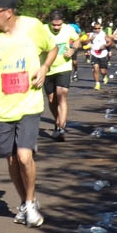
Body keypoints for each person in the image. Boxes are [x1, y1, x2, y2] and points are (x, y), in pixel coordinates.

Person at [0, 0, 58, 228]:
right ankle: (24, 202)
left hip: (29, 103)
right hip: (1, 107)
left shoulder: (33, 27)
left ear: (9, 12)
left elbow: (52, 48)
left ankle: (31, 204)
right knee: (11, 160)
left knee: (24, 156)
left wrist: (44, 69)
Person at [43, 10, 77, 140]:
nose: (57, 28)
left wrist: (73, 49)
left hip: (64, 67)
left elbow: (77, 39)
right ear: (49, 22)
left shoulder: (68, 29)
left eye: (59, 25)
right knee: (52, 100)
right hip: (47, 69)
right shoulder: (42, 29)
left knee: (61, 96)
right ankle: (58, 121)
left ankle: (61, 128)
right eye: (54, 25)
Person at [89, 22, 112, 90]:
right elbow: (84, 42)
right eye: (95, 28)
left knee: (102, 71)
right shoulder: (91, 34)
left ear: (100, 28)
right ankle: (97, 84)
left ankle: (104, 76)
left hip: (102, 54)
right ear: (93, 28)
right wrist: (90, 39)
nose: (97, 30)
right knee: (95, 68)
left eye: (99, 28)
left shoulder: (103, 34)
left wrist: (105, 45)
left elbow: (110, 42)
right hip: (94, 53)